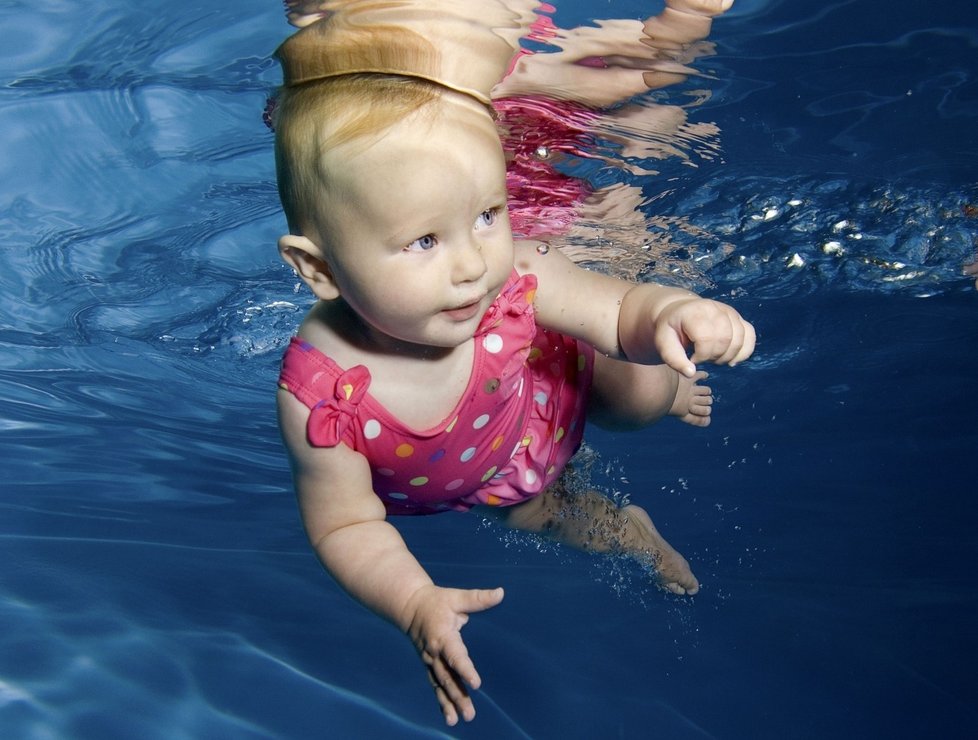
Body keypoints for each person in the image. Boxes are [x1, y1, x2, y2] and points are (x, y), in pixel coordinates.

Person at [271, 0, 754, 726]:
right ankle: (636, 536)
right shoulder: (322, 395)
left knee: (643, 394)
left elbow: (619, 311)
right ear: (320, 270)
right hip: (500, 479)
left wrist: (668, 314)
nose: (472, 264)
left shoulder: (514, 273)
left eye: (488, 216)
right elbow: (344, 526)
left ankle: (670, 46)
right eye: (424, 242)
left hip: (551, 387)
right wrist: (412, 601)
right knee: (543, 516)